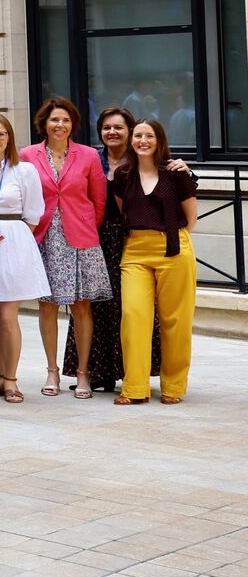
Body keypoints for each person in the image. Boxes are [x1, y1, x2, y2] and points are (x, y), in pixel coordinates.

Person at [22, 96, 110, 399]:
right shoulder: (27, 155)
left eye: (66, 120)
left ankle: (83, 373)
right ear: (44, 123)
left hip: (80, 239)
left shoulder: (87, 155)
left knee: (82, 307)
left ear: (73, 124)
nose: (60, 125)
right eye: (54, 120)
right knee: (47, 306)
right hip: (43, 238)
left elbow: (99, 202)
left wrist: (83, 225)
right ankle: (52, 371)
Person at [72, 108, 160, 393]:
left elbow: (174, 179)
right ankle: (97, 372)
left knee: (130, 305)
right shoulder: (89, 159)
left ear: (130, 131)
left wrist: (187, 168)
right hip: (92, 237)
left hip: (129, 238)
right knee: (93, 303)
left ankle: (134, 370)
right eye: (107, 127)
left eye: (119, 128)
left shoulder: (142, 159)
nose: (113, 132)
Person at [112, 119, 198, 405]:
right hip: (136, 249)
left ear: (159, 140)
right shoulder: (124, 175)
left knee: (175, 320)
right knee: (134, 317)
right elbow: (126, 212)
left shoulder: (176, 174)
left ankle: (173, 387)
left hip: (173, 248)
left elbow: (191, 219)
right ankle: (135, 388)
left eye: (149, 136)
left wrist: (171, 238)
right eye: (138, 135)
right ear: (131, 140)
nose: (143, 141)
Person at [0, 113, 47, 404]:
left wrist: (12, 241)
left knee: (7, 315)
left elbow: (34, 213)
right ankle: (1, 376)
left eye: (0, 134)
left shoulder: (23, 170)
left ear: (9, 138)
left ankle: (12, 378)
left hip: (12, 240)